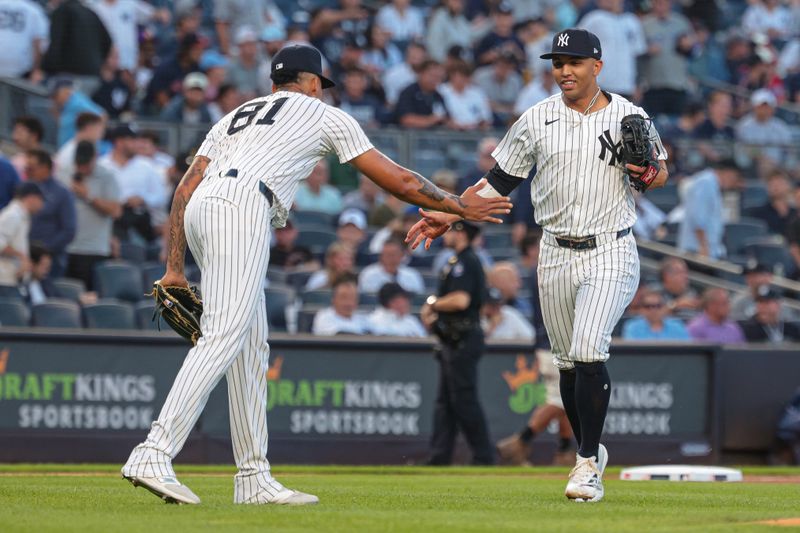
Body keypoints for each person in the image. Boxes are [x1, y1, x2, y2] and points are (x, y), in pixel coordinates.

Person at [121, 43, 511, 506]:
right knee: (224, 333)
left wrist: (174, 267)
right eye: (319, 84)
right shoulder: (322, 114)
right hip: (244, 206)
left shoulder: (235, 115)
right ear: (309, 83)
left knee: (250, 345)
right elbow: (400, 181)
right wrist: (459, 205)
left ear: (273, 84)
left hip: (205, 208)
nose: (320, 92)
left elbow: (186, 186)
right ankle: (154, 450)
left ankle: (253, 478)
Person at [407, 28, 670, 502]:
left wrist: (648, 172)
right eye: (557, 62)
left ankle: (587, 461)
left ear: (597, 66)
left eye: (573, 62)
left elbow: (660, 170)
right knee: (568, 364)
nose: (563, 70)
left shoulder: (630, 113)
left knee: (590, 348)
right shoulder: (536, 118)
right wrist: (449, 212)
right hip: (553, 251)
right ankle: (588, 454)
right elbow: (497, 181)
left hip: (610, 246)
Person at [421, 220, 494, 466]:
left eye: (450, 229)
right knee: (446, 403)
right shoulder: (456, 262)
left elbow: (461, 300)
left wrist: (433, 304)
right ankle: (439, 457)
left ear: (461, 232)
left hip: (463, 338)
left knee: (464, 400)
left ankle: (484, 456)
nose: (446, 234)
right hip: (451, 339)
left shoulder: (467, 261)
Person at [66, 141, 122, 291]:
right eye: (79, 164)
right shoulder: (68, 173)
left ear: (94, 158)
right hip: (69, 248)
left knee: (92, 297)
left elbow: (116, 211)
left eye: (85, 164)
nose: (82, 168)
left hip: (94, 250)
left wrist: (88, 196)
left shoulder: (106, 177)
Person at [26, 149, 77, 279]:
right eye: (26, 168)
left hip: (51, 259)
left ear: (45, 168)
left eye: (32, 168)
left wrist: (45, 250)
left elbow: (69, 230)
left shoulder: (61, 194)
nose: (27, 172)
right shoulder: (25, 190)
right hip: (26, 256)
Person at [677, 160, 740, 260]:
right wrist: (703, 247)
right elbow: (697, 217)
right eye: (734, 178)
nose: (733, 183)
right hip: (697, 251)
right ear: (728, 173)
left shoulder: (713, 185)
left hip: (707, 251)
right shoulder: (706, 182)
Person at [0, 183, 44, 288]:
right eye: (41, 199)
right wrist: (21, 257)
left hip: (12, 279)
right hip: (4, 281)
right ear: (31, 198)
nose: (42, 205)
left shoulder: (21, 215)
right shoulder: (12, 215)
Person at [358, 237, 424, 294]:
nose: (390, 258)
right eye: (387, 254)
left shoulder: (412, 275)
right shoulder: (368, 275)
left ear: (401, 255)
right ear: (381, 256)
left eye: (393, 254)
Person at [55, 112, 105, 185]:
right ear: (89, 128)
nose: (101, 134)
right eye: (100, 130)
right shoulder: (70, 152)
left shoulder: (92, 148)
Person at [621, 288, 690, 341]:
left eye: (658, 306)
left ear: (664, 307)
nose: (653, 310)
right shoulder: (632, 327)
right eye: (648, 306)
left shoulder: (677, 326)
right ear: (641, 309)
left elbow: (688, 351)